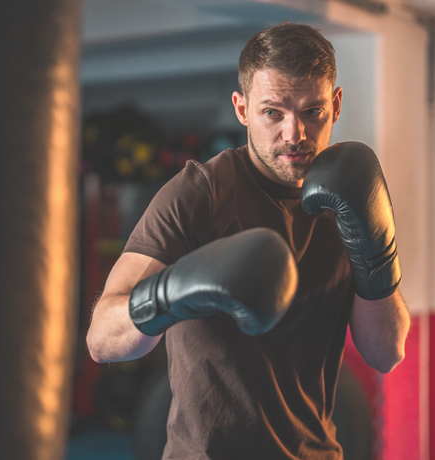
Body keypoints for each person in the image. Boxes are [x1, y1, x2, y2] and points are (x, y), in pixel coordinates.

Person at [86, 22, 410, 459]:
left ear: (335, 105)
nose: (293, 134)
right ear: (242, 109)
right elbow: (102, 341)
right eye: (273, 112)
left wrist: (376, 253)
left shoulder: (350, 197)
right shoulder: (200, 195)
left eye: (311, 111)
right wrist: (173, 293)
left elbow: (385, 352)